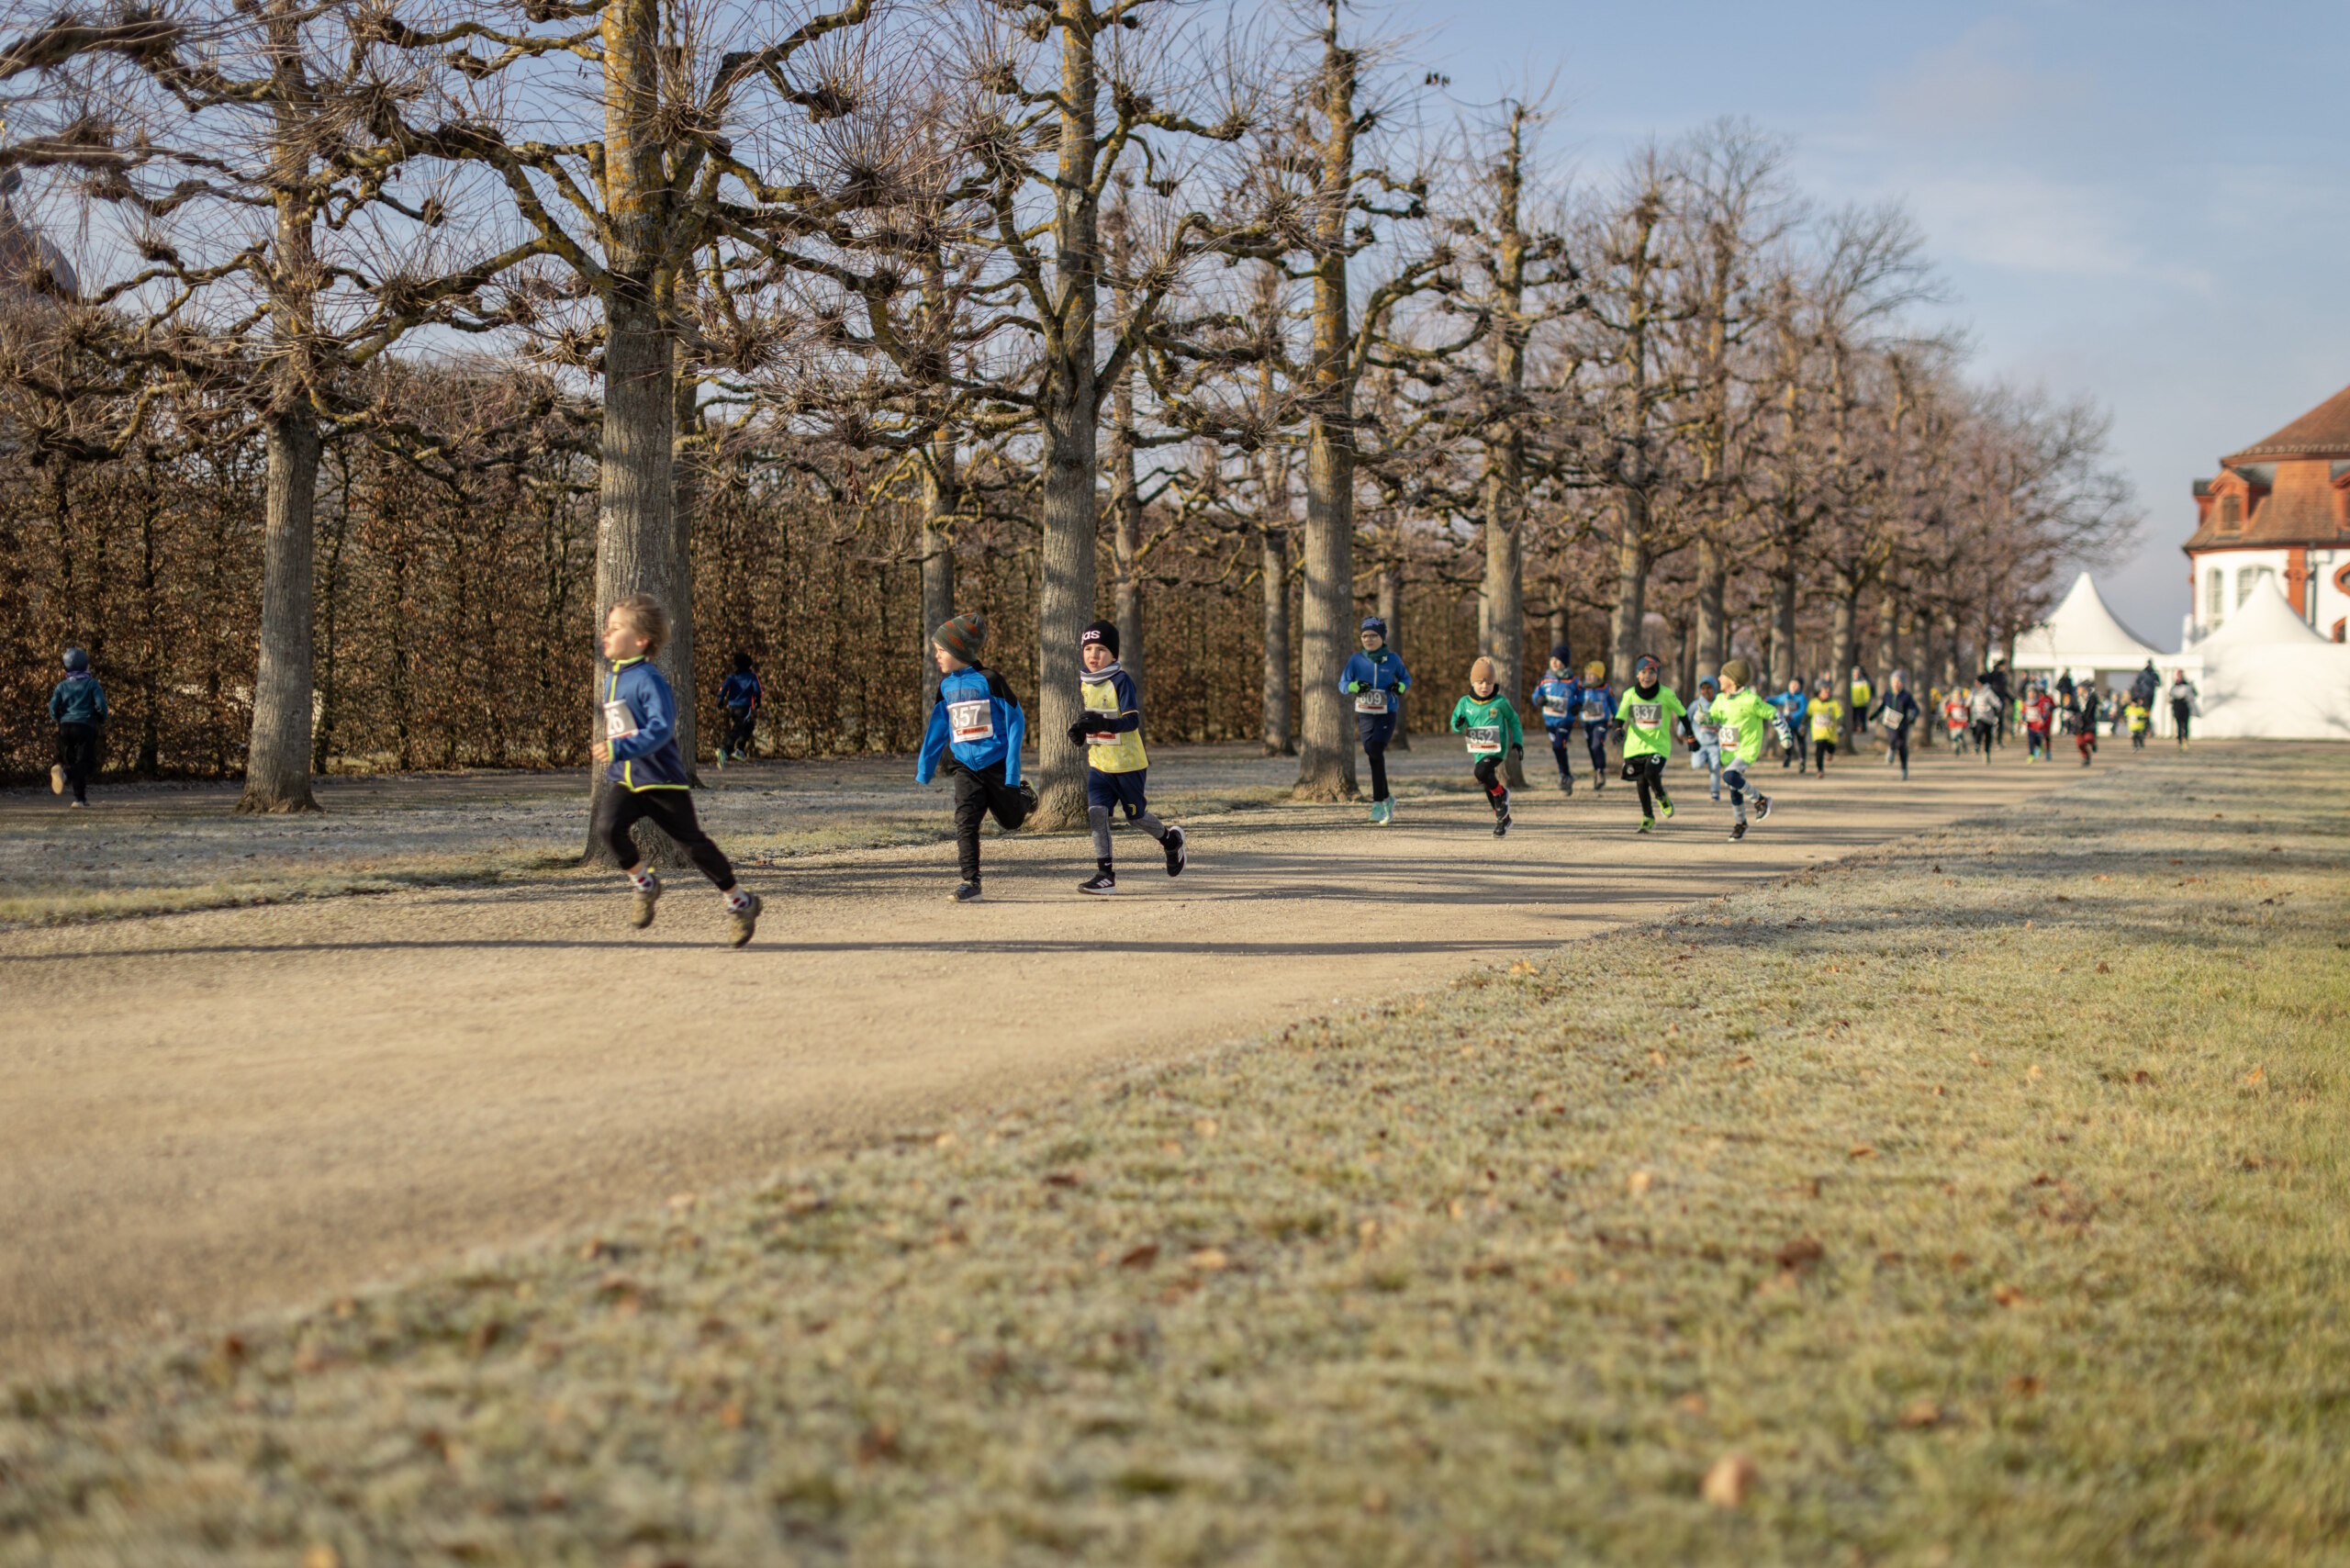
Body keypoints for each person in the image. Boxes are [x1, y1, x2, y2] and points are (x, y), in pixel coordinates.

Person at [590, 596, 762, 946]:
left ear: (641, 640)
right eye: (607, 627)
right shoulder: (611, 679)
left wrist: (619, 748)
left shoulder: (649, 680)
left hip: (662, 781)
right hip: (627, 781)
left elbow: (661, 729)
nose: (606, 633)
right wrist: (618, 751)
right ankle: (644, 883)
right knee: (607, 828)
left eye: (616, 628)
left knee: (693, 847)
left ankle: (739, 901)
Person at [915, 611, 1035, 902]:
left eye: (941, 650)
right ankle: (971, 881)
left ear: (959, 650)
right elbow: (937, 727)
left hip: (996, 764)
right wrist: (925, 768)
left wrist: (1011, 771)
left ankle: (1024, 795)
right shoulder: (945, 688)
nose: (936, 656)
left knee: (1010, 821)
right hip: (965, 767)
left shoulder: (990, 680)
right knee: (965, 820)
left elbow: (1016, 720)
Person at [1069, 620, 1186, 894]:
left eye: (1101, 649)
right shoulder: (1085, 682)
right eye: (1088, 649)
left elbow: (1132, 721)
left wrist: (1103, 724)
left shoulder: (1121, 681)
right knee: (1096, 814)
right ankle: (1105, 875)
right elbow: (1093, 719)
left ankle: (1171, 842)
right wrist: (1081, 731)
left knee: (1135, 817)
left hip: (1128, 765)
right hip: (1099, 765)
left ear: (1113, 655)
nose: (1093, 655)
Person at [1707, 658, 1793, 841]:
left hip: (1747, 750)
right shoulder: (1720, 700)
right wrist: (1703, 718)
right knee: (1733, 787)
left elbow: (1773, 713)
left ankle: (1760, 800)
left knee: (1729, 776)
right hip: (1728, 751)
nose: (1719, 678)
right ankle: (1741, 824)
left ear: (1733, 679)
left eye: (1723, 675)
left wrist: (1785, 735)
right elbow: (1711, 717)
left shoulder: (1751, 700)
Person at [1340, 616, 1411, 824]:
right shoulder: (1356, 660)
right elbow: (1342, 684)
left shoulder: (1393, 659)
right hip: (1365, 714)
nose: (1368, 639)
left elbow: (1406, 678)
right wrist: (1353, 686)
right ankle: (1387, 799)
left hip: (1387, 713)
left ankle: (1378, 804)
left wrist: (1400, 687)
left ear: (1382, 637)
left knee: (1375, 749)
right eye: (1364, 636)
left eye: (1373, 635)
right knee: (1373, 754)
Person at [1614, 653, 1691, 834]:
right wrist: (1617, 729)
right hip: (1634, 747)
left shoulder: (1666, 694)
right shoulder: (1629, 695)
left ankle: (1662, 797)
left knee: (1650, 772)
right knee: (1641, 782)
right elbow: (1620, 716)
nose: (1647, 676)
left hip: (1658, 745)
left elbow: (1682, 713)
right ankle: (1648, 817)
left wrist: (1691, 735)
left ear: (1657, 675)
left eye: (1652, 672)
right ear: (1637, 674)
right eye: (1643, 672)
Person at [1449, 655, 1525, 837]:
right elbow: (1455, 726)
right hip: (1478, 751)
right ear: (1472, 682)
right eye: (1480, 682)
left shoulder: (1500, 702)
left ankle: (1503, 794)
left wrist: (1518, 742)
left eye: (1489, 683)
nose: (1485, 687)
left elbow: (1514, 721)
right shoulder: (1464, 703)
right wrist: (1458, 724)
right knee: (1486, 782)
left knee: (1481, 772)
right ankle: (1503, 820)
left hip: (1497, 749)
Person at [49, 646, 107, 808]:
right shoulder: (91, 684)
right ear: (85, 666)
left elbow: (53, 707)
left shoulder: (62, 686)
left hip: (65, 727)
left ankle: (79, 799)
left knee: (76, 762)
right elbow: (101, 704)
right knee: (88, 763)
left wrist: (57, 718)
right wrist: (102, 717)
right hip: (85, 725)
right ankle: (65, 774)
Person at [1528, 644, 1581, 795]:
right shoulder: (1545, 679)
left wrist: (1578, 704)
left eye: (1559, 660)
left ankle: (1564, 775)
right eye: (1552, 659)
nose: (1555, 663)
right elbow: (1535, 694)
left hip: (1565, 720)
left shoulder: (1573, 680)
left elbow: (1582, 694)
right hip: (1549, 721)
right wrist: (1538, 699)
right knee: (1558, 749)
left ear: (1565, 663)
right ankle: (1566, 776)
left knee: (1558, 745)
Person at [1873, 671, 1921, 780]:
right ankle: (1891, 748)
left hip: (1902, 724)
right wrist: (1874, 715)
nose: (1896, 684)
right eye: (1894, 682)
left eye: (1899, 682)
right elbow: (1882, 707)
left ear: (1903, 684)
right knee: (1893, 738)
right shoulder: (1887, 695)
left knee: (1902, 746)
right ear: (1891, 683)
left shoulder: (1906, 696)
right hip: (1890, 722)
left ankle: (1904, 769)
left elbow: (1915, 709)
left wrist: (1912, 715)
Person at [718, 652, 762, 765]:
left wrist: (720, 699)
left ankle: (739, 750)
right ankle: (726, 750)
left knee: (748, 725)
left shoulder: (732, 677)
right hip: (744, 707)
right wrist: (758, 700)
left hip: (732, 707)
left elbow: (723, 688)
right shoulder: (752, 677)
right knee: (739, 728)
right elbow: (757, 690)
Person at [1576, 660, 1614, 790]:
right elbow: (1575, 701)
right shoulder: (1581, 688)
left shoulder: (1605, 688)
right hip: (1586, 722)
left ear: (1599, 676)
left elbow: (1612, 703)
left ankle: (1601, 770)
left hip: (1601, 721)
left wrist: (1617, 718)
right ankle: (1597, 770)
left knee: (1597, 745)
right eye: (1587, 674)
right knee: (1591, 747)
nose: (1588, 677)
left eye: (1592, 675)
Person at [1688, 675, 1723, 801]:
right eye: (1703, 688)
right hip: (1699, 743)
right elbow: (1686, 718)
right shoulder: (1695, 705)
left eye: (1709, 688)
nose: (1706, 691)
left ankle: (1715, 793)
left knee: (1715, 768)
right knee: (1696, 765)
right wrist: (1681, 732)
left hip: (1714, 743)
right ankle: (1706, 758)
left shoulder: (1720, 704)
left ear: (1714, 689)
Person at [1772, 676, 1809, 772]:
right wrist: (1766, 700)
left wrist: (1793, 716)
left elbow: (1802, 710)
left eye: (1796, 685)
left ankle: (1802, 760)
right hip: (1789, 724)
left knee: (1801, 743)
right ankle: (1787, 757)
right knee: (1788, 741)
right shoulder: (1786, 696)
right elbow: (1776, 700)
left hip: (1800, 725)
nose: (1793, 687)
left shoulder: (1802, 697)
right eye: (1792, 684)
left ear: (1800, 687)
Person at [1808, 679, 1843, 775]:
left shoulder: (1834, 703)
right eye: (1825, 691)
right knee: (1819, 750)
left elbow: (1839, 716)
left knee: (1831, 747)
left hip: (1831, 733)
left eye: (1829, 691)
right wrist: (1802, 725)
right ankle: (1820, 769)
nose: (1827, 693)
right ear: (1819, 691)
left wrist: (1840, 726)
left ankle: (1830, 753)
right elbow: (1807, 716)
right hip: (1818, 732)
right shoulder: (1813, 703)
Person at [1967, 675, 1999, 763]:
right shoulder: (1973, 692)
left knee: (1988, 735)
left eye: (1977, 682)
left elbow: (1997, 703)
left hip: (1988, 717)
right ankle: (1977, 745)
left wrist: (1996, 710)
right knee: (1979, 730)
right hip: (1978, 716)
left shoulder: (1988, 692)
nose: (1975, 684)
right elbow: (1967, 703)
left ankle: (1986, 752)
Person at [2022, 681, 2054, 763]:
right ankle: (2031, 755)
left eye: (2033, 692)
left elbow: (2045, 711)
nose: (2031, 694)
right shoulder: (2026, 703)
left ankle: (2043, 748)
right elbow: (2023, 713)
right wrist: (2023, 719)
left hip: (2039, 725)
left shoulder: (2040, 702)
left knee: (2040, 738)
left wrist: (2043, 719)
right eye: (2029, 692)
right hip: (2030, 725)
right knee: (2031, 740)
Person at [2069, 685, 2099, 767]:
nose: (2078, 690)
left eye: (2079, 689)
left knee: (2088, 738)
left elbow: (2095, 704)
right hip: (2078, 724)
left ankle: (2093, 744)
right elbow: (2071, 707)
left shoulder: (2091, 698)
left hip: (2088, 723)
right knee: (2080, 743)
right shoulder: (2075, 699)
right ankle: (2085, 757)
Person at [2167, 669, 2198, 748]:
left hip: (2185, 706)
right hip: (2177, 706)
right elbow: (2170, 696)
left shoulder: (2187, 685)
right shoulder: (2174, 686)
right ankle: (2180, 740)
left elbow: (2194, 694)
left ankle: (2185, 740)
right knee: (2179, 725)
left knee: (2186, 724)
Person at [1987, 659, 2013, 745]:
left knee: (2000, 721)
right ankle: (1989, 739)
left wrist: (2010, 698)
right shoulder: (1993, 675)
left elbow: (2003, 690)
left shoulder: (2003, 676)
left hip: (2000, 701)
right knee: (1990, 721)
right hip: (1992, 701)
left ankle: (1998, 740)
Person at [1848, 665, 1874, 741]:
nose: (1856, 674)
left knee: (1862, 717)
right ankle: (1854, 728)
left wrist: (1867, 700)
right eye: (1854, 673)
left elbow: (1867, 692)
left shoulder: (1863, 682)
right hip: (1853, 703)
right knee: (1854, 717)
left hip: (1862, 703)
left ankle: (1862, 728)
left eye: (1857, 673)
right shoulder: (1850, 682)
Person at [1942, 686, 1969, 755]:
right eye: (1955, 694)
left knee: (1959, 733)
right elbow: (1946, 712)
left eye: (1958, 694)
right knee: (1953, 736)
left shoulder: (1963, 704)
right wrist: (1945, 716)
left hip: (1961, 723)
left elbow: (1967, 712)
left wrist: (1967, 719)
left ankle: (1962, 744)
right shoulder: (1951, 704)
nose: (1957, 696)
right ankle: (1956, 748)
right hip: (1953, 723)